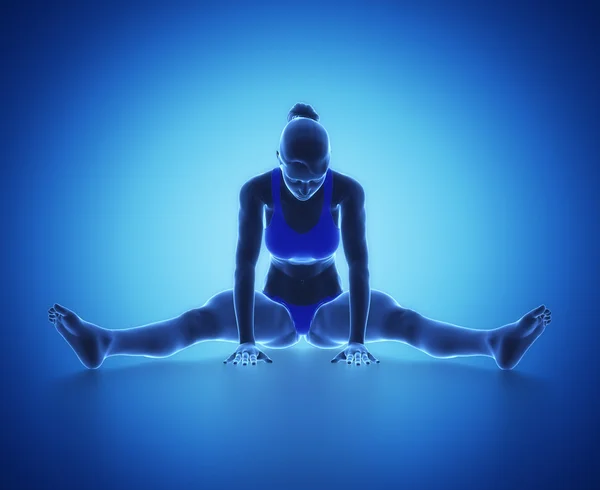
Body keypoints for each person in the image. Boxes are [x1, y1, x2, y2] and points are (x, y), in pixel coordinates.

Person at [48, 102, 551, 370]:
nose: (308, 183)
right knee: (200, 319)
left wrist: (356, 340)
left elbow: (360, 266)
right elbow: (244, 266)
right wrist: (245, 340)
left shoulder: (347, 191)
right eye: (297, 172)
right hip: (276, 317)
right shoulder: (255, 192)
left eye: (318, 172)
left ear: (330, 164)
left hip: (334, 316)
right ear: (278, 160)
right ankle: (105, 341)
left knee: (401, 319)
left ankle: (494, 342)